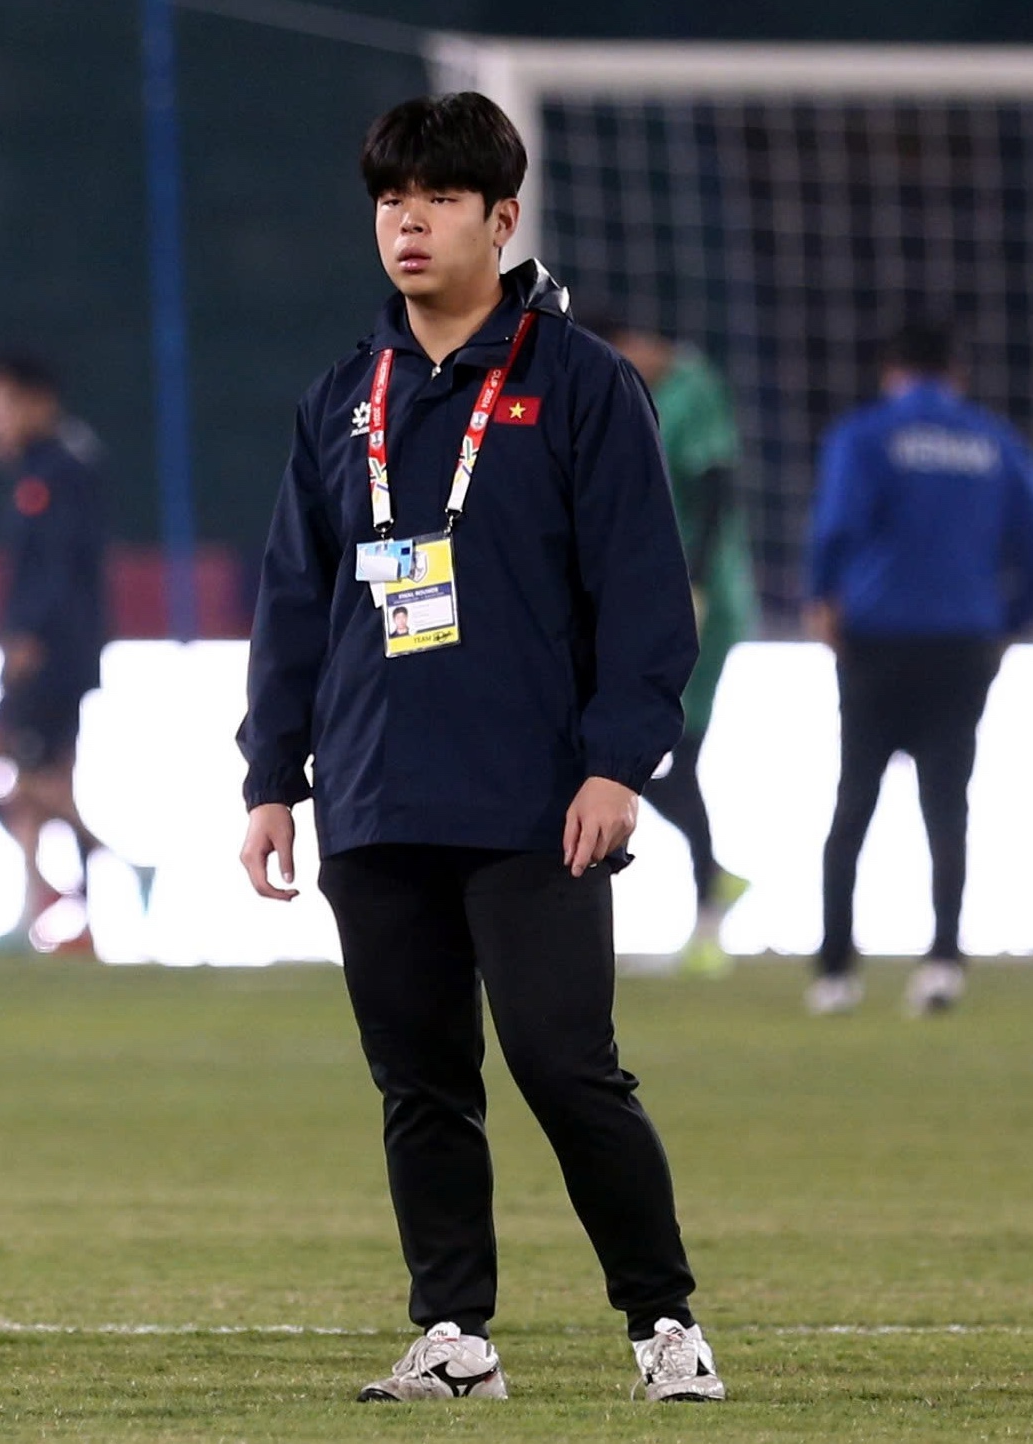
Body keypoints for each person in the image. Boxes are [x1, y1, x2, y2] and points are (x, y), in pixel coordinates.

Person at [237, 93, 724, 1404]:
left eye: (438, 197)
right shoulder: (345, 394)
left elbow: (641, 594)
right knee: (419, 1079)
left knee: (565, 1063)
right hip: (377, 794)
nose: (407, 219)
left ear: (500, 219)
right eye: (390, 197)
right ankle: (452, 1334)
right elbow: (294, 597)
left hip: (532, 796)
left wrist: (618, 763)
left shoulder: (578, 383)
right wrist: (270, 780)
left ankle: (662, 1322)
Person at [804, 320, 1033, 1018]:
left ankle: (834, 973)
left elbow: (833, 527)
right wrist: (1012, 618)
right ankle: (943, 963)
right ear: (957, 373)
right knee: (946, 804)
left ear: (891, 369)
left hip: (877, 639)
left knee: (853, 800)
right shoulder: (993, 440)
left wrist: (820, 599)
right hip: (963, 641)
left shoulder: (865, 435)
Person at [0, 353, 151, 956]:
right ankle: (62, 920)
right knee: (49, 779)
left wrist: (27, 636)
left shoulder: (57, 472)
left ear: (37, 402)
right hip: (67, 649)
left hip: (51, 653)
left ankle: (95, 871)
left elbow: (58, 569)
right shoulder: (56, 466)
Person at [589, 316, 758, 975]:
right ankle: (713, 886)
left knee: (660, 752)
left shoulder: (693, 388)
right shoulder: (636, 397)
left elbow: (717, 489)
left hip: (697, 607)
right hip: (654, 600)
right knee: (643, 753)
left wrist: (693, 584)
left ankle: (711, 906)